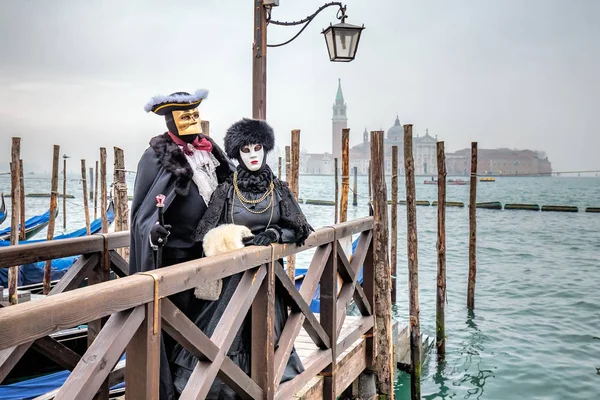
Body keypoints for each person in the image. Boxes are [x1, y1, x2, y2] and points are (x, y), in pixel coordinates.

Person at [171, 118, 313, 398]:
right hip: (233, 280)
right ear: (237, 154)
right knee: (223, 332)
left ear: (266, 149)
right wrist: (231, 234)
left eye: (258, 147)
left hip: (269, 278)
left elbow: (301, 228)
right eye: (245, 150)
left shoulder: (279, 188)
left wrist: (274, 234)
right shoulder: (226, 190)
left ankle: (266, 384)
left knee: (267, 333)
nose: (253, 155)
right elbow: (204, 233)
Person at [129, 89, 233, 400]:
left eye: (195, 115)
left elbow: (230, 191)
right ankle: (170, 389)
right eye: (184, 116)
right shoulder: (155, 157)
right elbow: (141, 214)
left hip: (210, 254)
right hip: (174, 258)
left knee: (209, 321)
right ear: (170, 120)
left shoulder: (212, 151)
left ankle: (206, 386)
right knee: (172, 324)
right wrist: (152, 230)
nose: (192, 121)